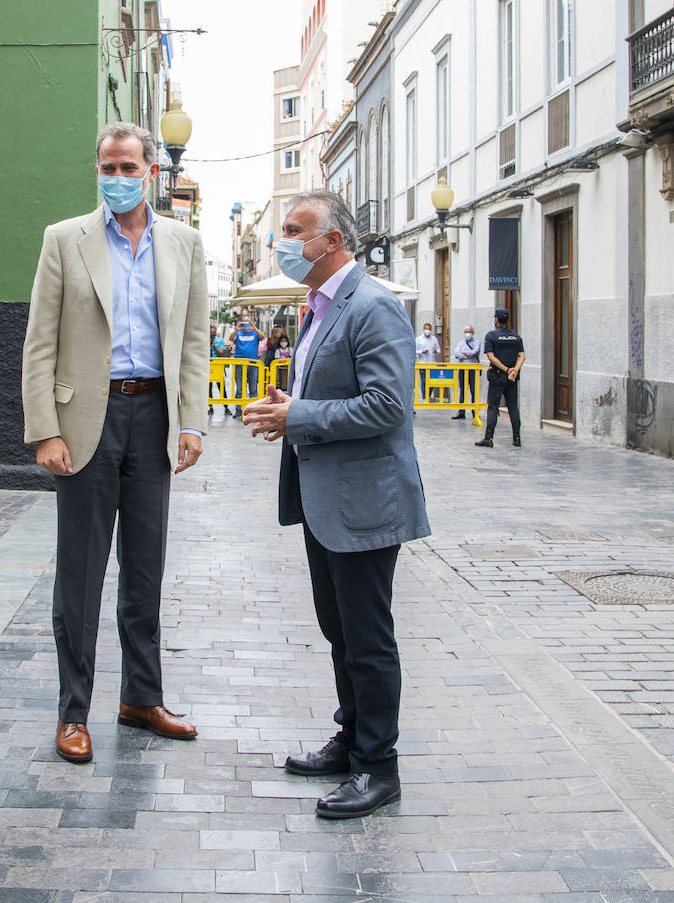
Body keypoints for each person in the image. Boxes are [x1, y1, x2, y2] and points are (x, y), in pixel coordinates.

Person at [22, 122, 208, 765]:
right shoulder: (64, 239)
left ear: (152, 172)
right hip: (83, 426)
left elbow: (191, 341)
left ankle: (141, 697)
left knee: (145, 570)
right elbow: (39, 340)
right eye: (108, 166)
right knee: (80, 575)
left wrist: (192, 421)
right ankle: (73, 711)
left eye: (130, 167)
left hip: (153, 416)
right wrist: (44, 428)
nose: (118, 177)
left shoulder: (183, 242)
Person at [243, 189, 430, 819]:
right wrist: (286, 411)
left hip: (365, 502)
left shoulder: (372, 306)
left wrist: (300, 414)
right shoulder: (317, 306)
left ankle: (379, 767)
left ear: (333, 241)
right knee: (339, 631)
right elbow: (324, 394)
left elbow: (387, 406)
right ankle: (352, 741)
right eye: (284, 232)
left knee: (368, 639)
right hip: (326, 498)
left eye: (296, 232)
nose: (285, 243)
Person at [476, 308, 526, 448]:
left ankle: (488, 438)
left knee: (492, 407)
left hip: (498, 375)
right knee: (513, 407)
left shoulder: (491, 335)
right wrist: (514, 370)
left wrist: (506, 369)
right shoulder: (515, 336)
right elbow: (522, 356)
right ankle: (517, 438)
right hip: (512, 377)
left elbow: (491, 356)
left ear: (496, 319)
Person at [230, 316, 263, 417]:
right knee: (239, 388)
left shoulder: (255, 333)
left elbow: (262, 337)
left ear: (251, 323)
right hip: (239, 363)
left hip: (253, 363)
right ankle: (239, 410)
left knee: (253, 388)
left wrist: (254, 327)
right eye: (243, 322)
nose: (245, 324)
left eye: (247, 322)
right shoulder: (239, 333)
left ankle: (253, 409)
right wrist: (236, 330)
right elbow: (231, 339)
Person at [451, 324, 481, 419]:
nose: (467, 334)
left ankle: (475, 412)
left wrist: (465, 353)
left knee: (473, 390)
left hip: (473, 369)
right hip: (463, 368)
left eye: (469, 331)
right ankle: (461, 411)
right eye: (466, 332)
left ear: (473, 332)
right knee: (462, 389)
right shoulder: (460, 343)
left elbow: (474, 352)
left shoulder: (477, 342)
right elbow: (456, 353)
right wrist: (464, 356)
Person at [414, 322, 440, 403]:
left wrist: (436, 351)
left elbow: (439, 350)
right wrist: (422, 351)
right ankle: (425, 397)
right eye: (426, 329)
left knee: (432, 381)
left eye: (429, 329)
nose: (427, 330)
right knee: (424, 381)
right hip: (422, 363)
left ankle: (428, 395)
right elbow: (414, 351)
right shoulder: (418, 339)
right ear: (423, 329)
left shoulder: (434, 339)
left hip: (432, 363)